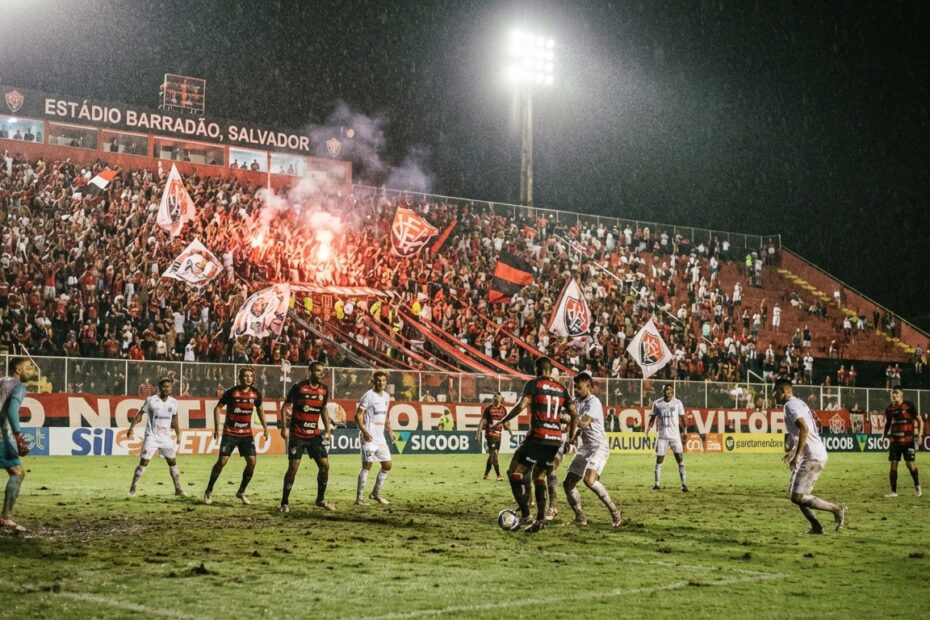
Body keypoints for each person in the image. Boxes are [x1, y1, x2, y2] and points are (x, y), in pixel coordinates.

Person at [499, 357, 578, 533]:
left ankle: (526, 515)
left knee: (514, 473)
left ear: (537, 369)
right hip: (554, 439)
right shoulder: (562, 388)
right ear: (550, 370)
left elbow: (522, 405)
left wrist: (505, 419)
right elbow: (574, 413)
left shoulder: (533, 384)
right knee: (540, 476)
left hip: (537, 436)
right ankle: (540, 520)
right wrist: (571, 437)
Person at [775, 379, 845, 534]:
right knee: (797, 493)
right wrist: (794, 451)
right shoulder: (799, 403)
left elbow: (804, 429)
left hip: (811, 456)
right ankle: (816, 527)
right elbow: (804, 431)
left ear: (784, 391)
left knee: (797, 496)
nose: (773, 396)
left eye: (775, 392)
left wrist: (797, 456)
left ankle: (836, 509)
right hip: (814, 452)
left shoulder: (790, 406)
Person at [563, 372, 622, 527]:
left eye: (579, 387)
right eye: (575, 387)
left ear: (588, 386)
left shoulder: (593, 402)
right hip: (584, 448)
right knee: (568, 484)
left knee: (589, 480)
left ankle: (615, 513)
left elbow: (583, 423)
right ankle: (580, 518)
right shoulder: (576, 400)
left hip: (599, 446)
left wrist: (569, 418)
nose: (576, 390)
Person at [204, 368, 268, 505]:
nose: (248, 378)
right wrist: (217, 428)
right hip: (230, 432)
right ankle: (209, 490)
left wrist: (265, 428)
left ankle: (241, 492)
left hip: (246, 433)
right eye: (245, 376)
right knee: (222, 462)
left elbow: (260, 410)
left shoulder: (256, 394)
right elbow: (217, 408)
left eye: (251, 376)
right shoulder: (232, 392)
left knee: (252, 462)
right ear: (240, 378)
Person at [280, 361, 334, 512]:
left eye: (322, 371)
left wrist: (328, 430)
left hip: (314, 435)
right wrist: (284, 428)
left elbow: (323, 409)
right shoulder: (299, 387)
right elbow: (285, 407)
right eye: (317, 371)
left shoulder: (324, 390)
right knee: (293, 468)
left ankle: (320, 499)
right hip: (297, 434)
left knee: (325, 466)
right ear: (309, 371)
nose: (320, 373)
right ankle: (284, 502)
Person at [127, 377, 186, 497]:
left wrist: (178, 434)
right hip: (151, 437)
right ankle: (133, 488)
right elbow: (139, 415)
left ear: (171, 387)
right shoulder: (151, 400)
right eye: (164, 386)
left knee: (172, 462)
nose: (166, 388)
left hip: (166, 438)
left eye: (168, 386)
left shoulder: (174, 402)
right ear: (159, 388)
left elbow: (175, 420)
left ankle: (178, 490)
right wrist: (131, 427)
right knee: (144, 462)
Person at [0, 358, 37, 532]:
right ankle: (6, 517)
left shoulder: (1, 381)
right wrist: (19, 437)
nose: (32, 371)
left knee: (17, 472)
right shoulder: (18, 386)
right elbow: (12, 410)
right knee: (17, 473)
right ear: (17, 369)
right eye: (28, 367)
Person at [355, 371, 396, 505]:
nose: (381, 383)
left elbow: (385, 416)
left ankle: (375, 493)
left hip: (381, 438)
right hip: (370, 437)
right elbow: (358, 415)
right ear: (374, 381)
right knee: (367, 466)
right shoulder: (368, 396)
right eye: (378, 381)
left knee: (387, 465)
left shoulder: (386, 396)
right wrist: (364, 431)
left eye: (383, 381)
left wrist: (390, 431)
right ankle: (359, 499)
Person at [645, 384, 689, 492]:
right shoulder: (657, 403)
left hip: (675, 437)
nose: (668, 394)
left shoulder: (678, 403)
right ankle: (657, 484)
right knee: (659, 460)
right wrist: (648, 428)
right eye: (666, 391)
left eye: (670, 392)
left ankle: (684, 484)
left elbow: (683, 419)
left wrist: (685, 431)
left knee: (680, 459)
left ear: (672, 392)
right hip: (663, 437)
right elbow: (653, 418)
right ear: (663, 392)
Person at [882, 385, 922, 498]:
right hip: (894, 441)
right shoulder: (889, 409)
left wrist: (920, 434)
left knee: (910, 465)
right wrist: (884, 436)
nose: (894, 395)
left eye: (896, 393)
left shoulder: (909, 406)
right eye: (892, 393)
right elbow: (888, 424)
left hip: (908, 441)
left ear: (901, 394)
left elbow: (920, 421)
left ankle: (917, 487)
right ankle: (893, 492)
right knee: (893, 465)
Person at [476, 393, 506, 480]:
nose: (496, 398)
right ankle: (499, 475)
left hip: (498, 435)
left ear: (501, 399)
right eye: (495, 396)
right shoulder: (488, 409)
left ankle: (486, 475)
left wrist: (508, 426)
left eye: (498, 396)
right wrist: (478, 434)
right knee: (494, 455)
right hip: (490, 434)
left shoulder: (504, 409)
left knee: (492, 456)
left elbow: (505, 422)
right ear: (493, 398)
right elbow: (482, 421)